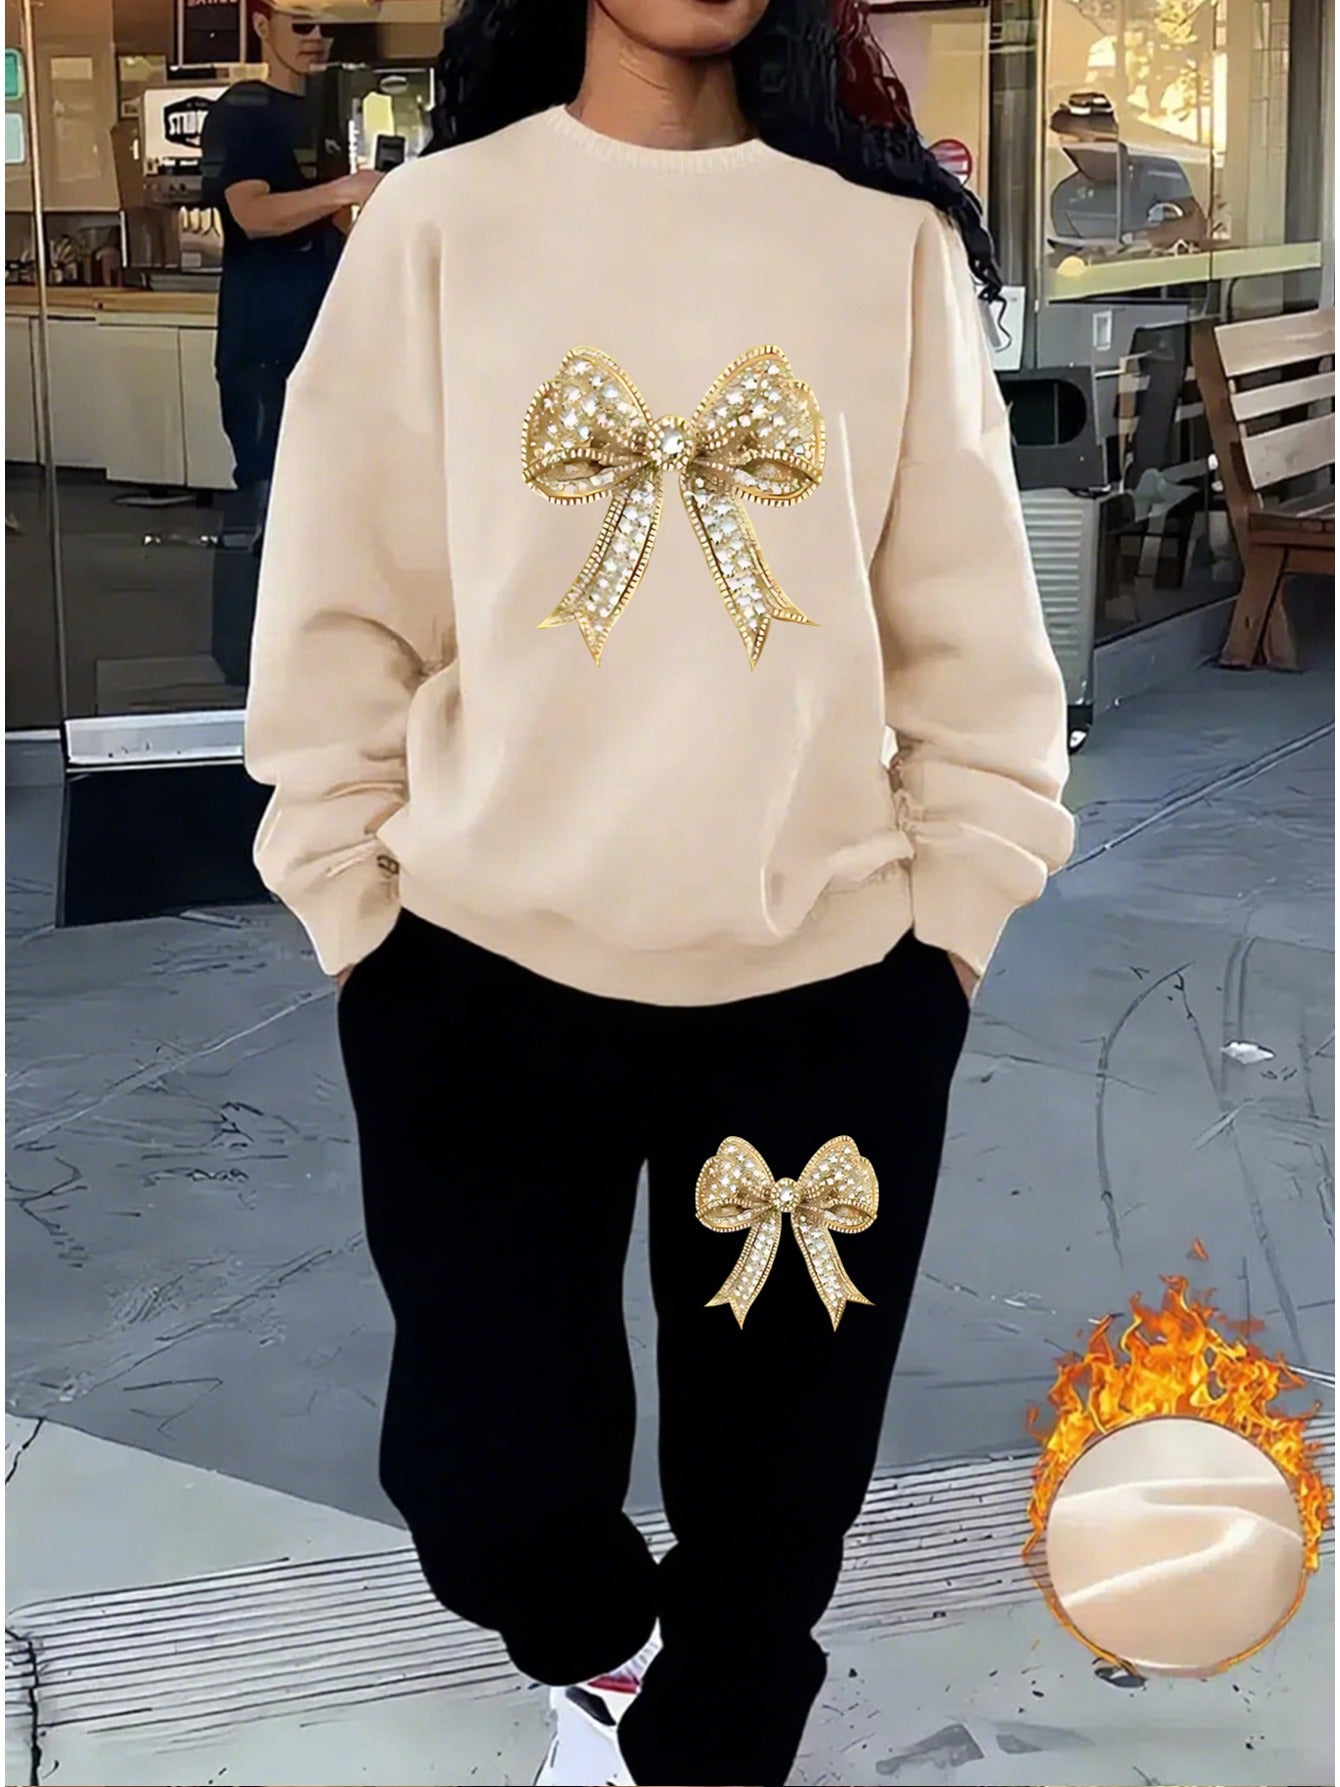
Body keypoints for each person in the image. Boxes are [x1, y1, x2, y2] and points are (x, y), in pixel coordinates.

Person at [245, 2, 1075, 1783]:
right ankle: (606, 1657)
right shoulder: (441, 225)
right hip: (477, 978)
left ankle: (709, 1742)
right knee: (486, 1490)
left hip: (823, 996)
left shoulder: (884, 245)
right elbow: (342, 601)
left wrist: (951, 932)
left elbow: (969, 629)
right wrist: (352, 908)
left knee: (775, 1509)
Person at [199, 0, 382, 681]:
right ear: (262, 25)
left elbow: (333, 220)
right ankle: (249, 665)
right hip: (265, 345)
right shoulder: (242, 110)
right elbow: (253, 214)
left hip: (324, 340)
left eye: (326, 26)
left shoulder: (325, 115)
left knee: (324, 506)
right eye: (301, 23)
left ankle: (312, 663)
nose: (316, 38)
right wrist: (345, 189)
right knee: (267, 497)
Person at [1049, 91, 1208, 257]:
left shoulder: (1160, 173)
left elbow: (1196, 228)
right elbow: (1068, 261)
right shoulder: (1065, 197)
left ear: (1113, 133)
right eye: (1071, 143)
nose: (1080, 150)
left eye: (1088, 139)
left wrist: (1139, 241)